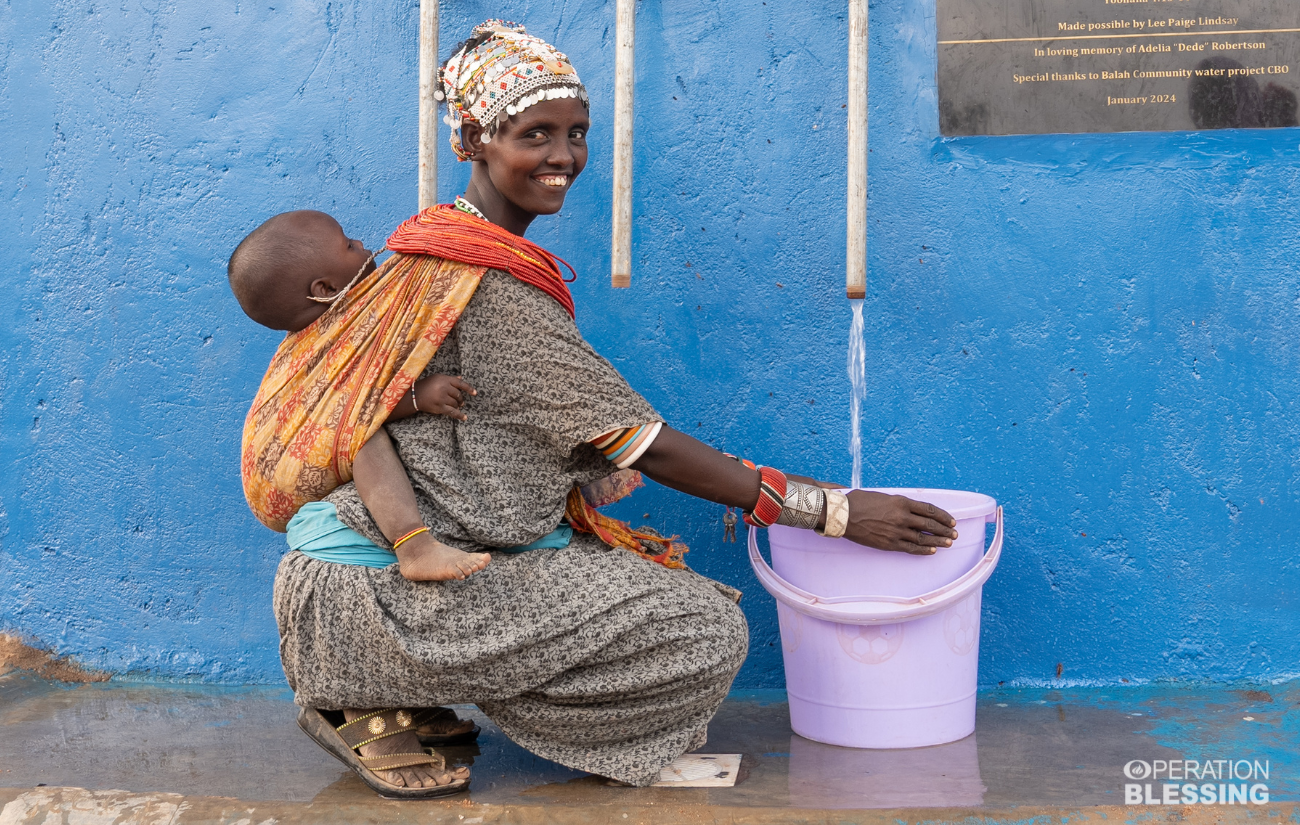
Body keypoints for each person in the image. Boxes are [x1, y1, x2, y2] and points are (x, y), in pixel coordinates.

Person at [256, 20, 959, 800]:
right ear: (473, 140)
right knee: (702, 630)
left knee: (642, 599)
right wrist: (830, 511)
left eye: (577, 134)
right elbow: (640, 444)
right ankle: (360, 687)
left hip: (396, 567)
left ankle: (395, 692)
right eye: (536, 134)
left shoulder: (449, 259)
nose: (563, 157)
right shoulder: (481, 282)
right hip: (373, 592)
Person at [228, 210, 492, 582]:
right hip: (285, 475)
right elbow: (354, 407)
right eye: (349, 245)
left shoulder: (328, 328)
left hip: (266, 475)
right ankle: (415, 548)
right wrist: (416, 397)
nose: (365, 246)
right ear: (325, 289)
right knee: (363, 438)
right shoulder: (339, 338)